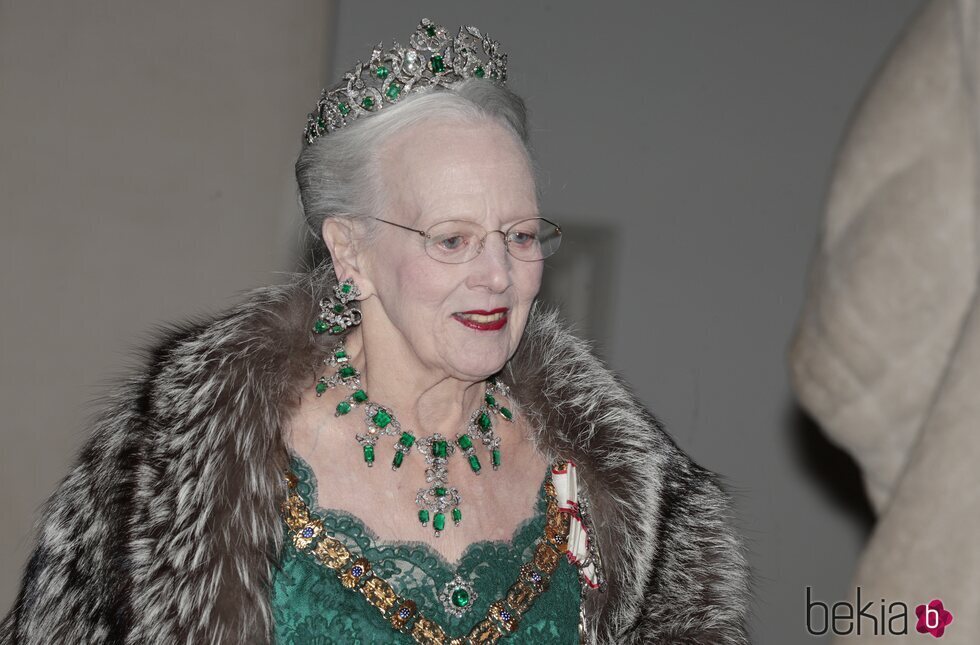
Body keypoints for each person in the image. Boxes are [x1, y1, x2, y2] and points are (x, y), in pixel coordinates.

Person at [1, 19, 750, 644]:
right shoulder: (182, 466)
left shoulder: (612, 485)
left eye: (520, 235)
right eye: (452, 239)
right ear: (350, 252)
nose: (498, 274)